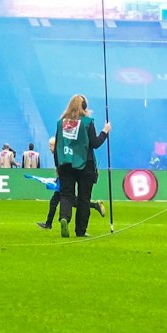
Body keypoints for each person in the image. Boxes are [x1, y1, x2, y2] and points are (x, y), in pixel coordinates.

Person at [51, 95, 108, 238]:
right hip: (85, 165)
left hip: (65, 164)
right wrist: (105, 131)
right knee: (84, 198)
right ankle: (81, 230)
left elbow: (57, 145)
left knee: (66, 195)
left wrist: (58, 165)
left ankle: (64, 217)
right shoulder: (87, 122)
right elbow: (95, 143)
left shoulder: (61, 123)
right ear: (84, 107)